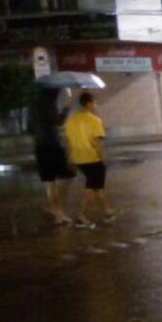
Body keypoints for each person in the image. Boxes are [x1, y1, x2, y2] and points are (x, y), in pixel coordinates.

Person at [65, 92, 115, 227]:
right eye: (94, 102)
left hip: (78, 158)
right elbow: (97, 142)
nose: (96, 105)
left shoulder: (71, 121)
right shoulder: (95, 121)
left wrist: (70, 156)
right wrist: (102, 157)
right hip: (92, 158)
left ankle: (107, 210)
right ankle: (82, 215)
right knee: (92, 188)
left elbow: (69, 141)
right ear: (88, 104)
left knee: (96, 186)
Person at [29, 87, 75, 225]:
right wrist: (67, 107)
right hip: (52, 144)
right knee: (68, 176)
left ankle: (57, 214)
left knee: (49, 181)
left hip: (39, 146)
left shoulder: (32, 105)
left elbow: (29, 129)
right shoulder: (48, 103)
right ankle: (58, 209)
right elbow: (58, 121)